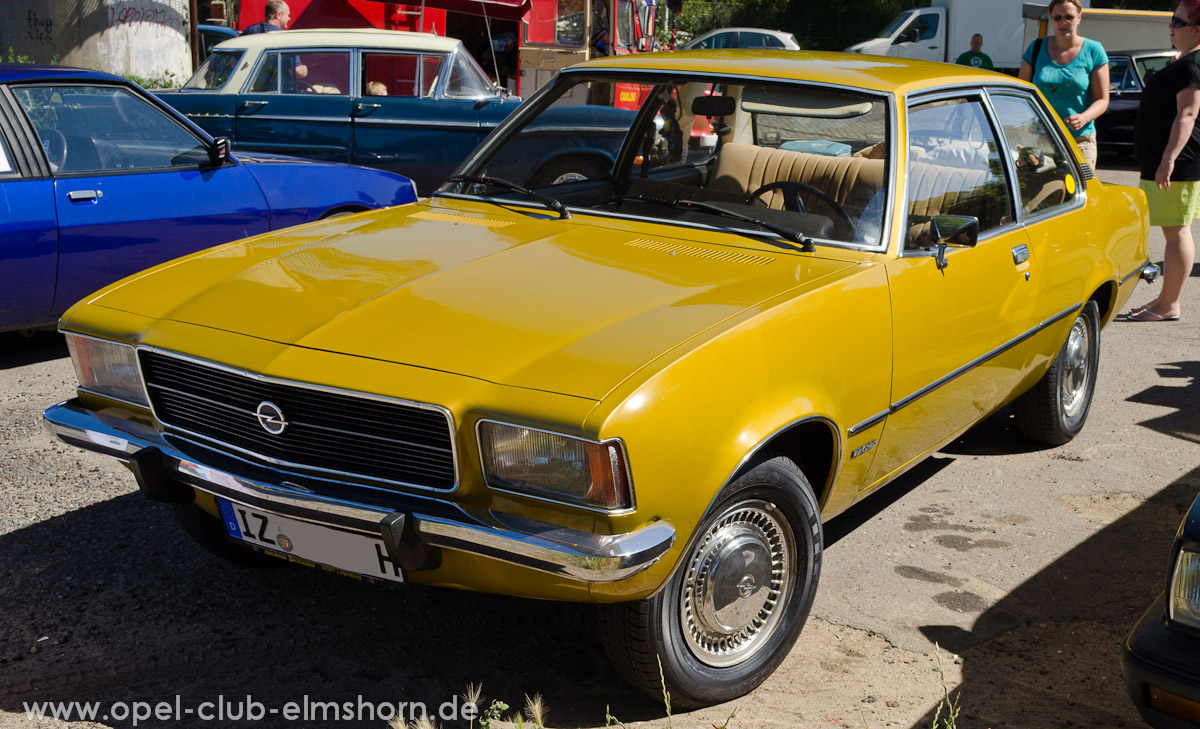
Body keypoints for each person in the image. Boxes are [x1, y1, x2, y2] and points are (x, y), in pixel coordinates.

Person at [1127, 0, 1200, 322]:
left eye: (1178, 22)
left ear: (1197, 29)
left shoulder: (1192, 64)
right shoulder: (1184, 60)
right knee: (1174, 232)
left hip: (1177, 161)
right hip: (1165, 158)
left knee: (1177, 233)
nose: (1170, 25)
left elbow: (1187, 114)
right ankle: (1164, 300)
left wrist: (1168, 159)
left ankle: (1168, 304)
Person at [1018, 0, 1109, 169]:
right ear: (1051, 19)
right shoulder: (1036, 47)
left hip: (1080, 140)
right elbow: (1021, 94)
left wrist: (1084, 117)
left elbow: (1103, 100)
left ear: (1079, 17)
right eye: (1057, 17)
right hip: (1040, 139)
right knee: (1042, 193)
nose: (1063, 22)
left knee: (1082, 193)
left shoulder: (1094, 50)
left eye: (1069, 17)